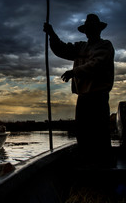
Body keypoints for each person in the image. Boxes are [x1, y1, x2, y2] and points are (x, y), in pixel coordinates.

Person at [43, 14, 115, 166]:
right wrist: (52, 34)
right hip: (83, 98)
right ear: (85, 31)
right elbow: (62, 49)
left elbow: (97, 64)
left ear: (98, 30)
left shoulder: (105, 46)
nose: (90, 31)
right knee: (82, 134)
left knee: (100, 134)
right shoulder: (81, 47)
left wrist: (73, 72)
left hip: (99, 97)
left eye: (93, 28)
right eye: (88, 29)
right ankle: (87, 167)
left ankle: (106, 168)